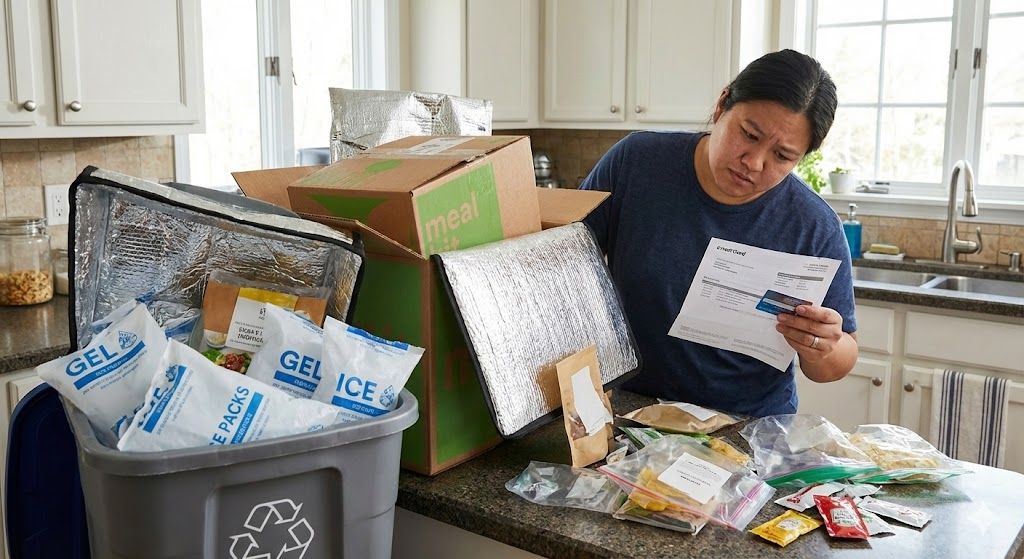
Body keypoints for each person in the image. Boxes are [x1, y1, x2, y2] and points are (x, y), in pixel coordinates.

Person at [580, 49, 857, 417]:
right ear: (722, 104)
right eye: (749, 134)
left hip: (747, 426)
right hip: (631, 409)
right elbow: (563, 261)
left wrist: (823, 345)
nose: (754, 163)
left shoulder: (813, 225)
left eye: (782, 156)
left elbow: (836, 363)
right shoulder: (636, 162)